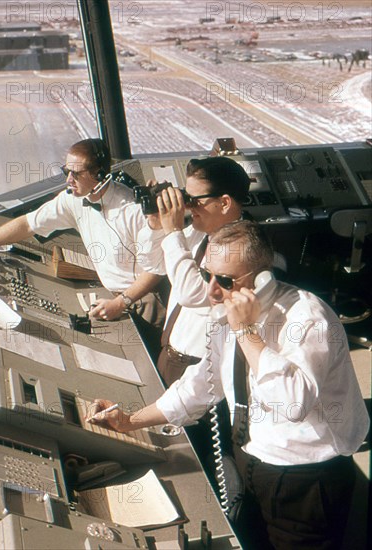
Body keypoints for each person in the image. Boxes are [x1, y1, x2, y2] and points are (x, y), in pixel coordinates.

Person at [89, 220, 369, 550]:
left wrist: (246, 333)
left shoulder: (307, 320)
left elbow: (293, 402)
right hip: (252, 458)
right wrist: (131, 421)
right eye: (207, 273)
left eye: (224, 279)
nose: (210, 290)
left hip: (304, 478)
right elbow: (202, 386)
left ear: (262, 279)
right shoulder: (229, 314)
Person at [0, 138, 167, 335]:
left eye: (76, 174)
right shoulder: (73, 199)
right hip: (116, 295)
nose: (69, 180)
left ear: (99, 175)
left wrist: (120, 303)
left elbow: (155, 270)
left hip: (145, 298)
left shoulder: (132, 210)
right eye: (66, 172)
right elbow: (27, 224)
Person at [153, 156, 251, 385]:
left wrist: (172, 232)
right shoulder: (200, 232)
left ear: (225, 203)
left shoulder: (242, 248)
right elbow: (154, 264)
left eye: (194, 200)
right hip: (170, 353)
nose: (188, 206)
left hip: (197, 368)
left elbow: (192, 292)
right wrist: (155, 223)